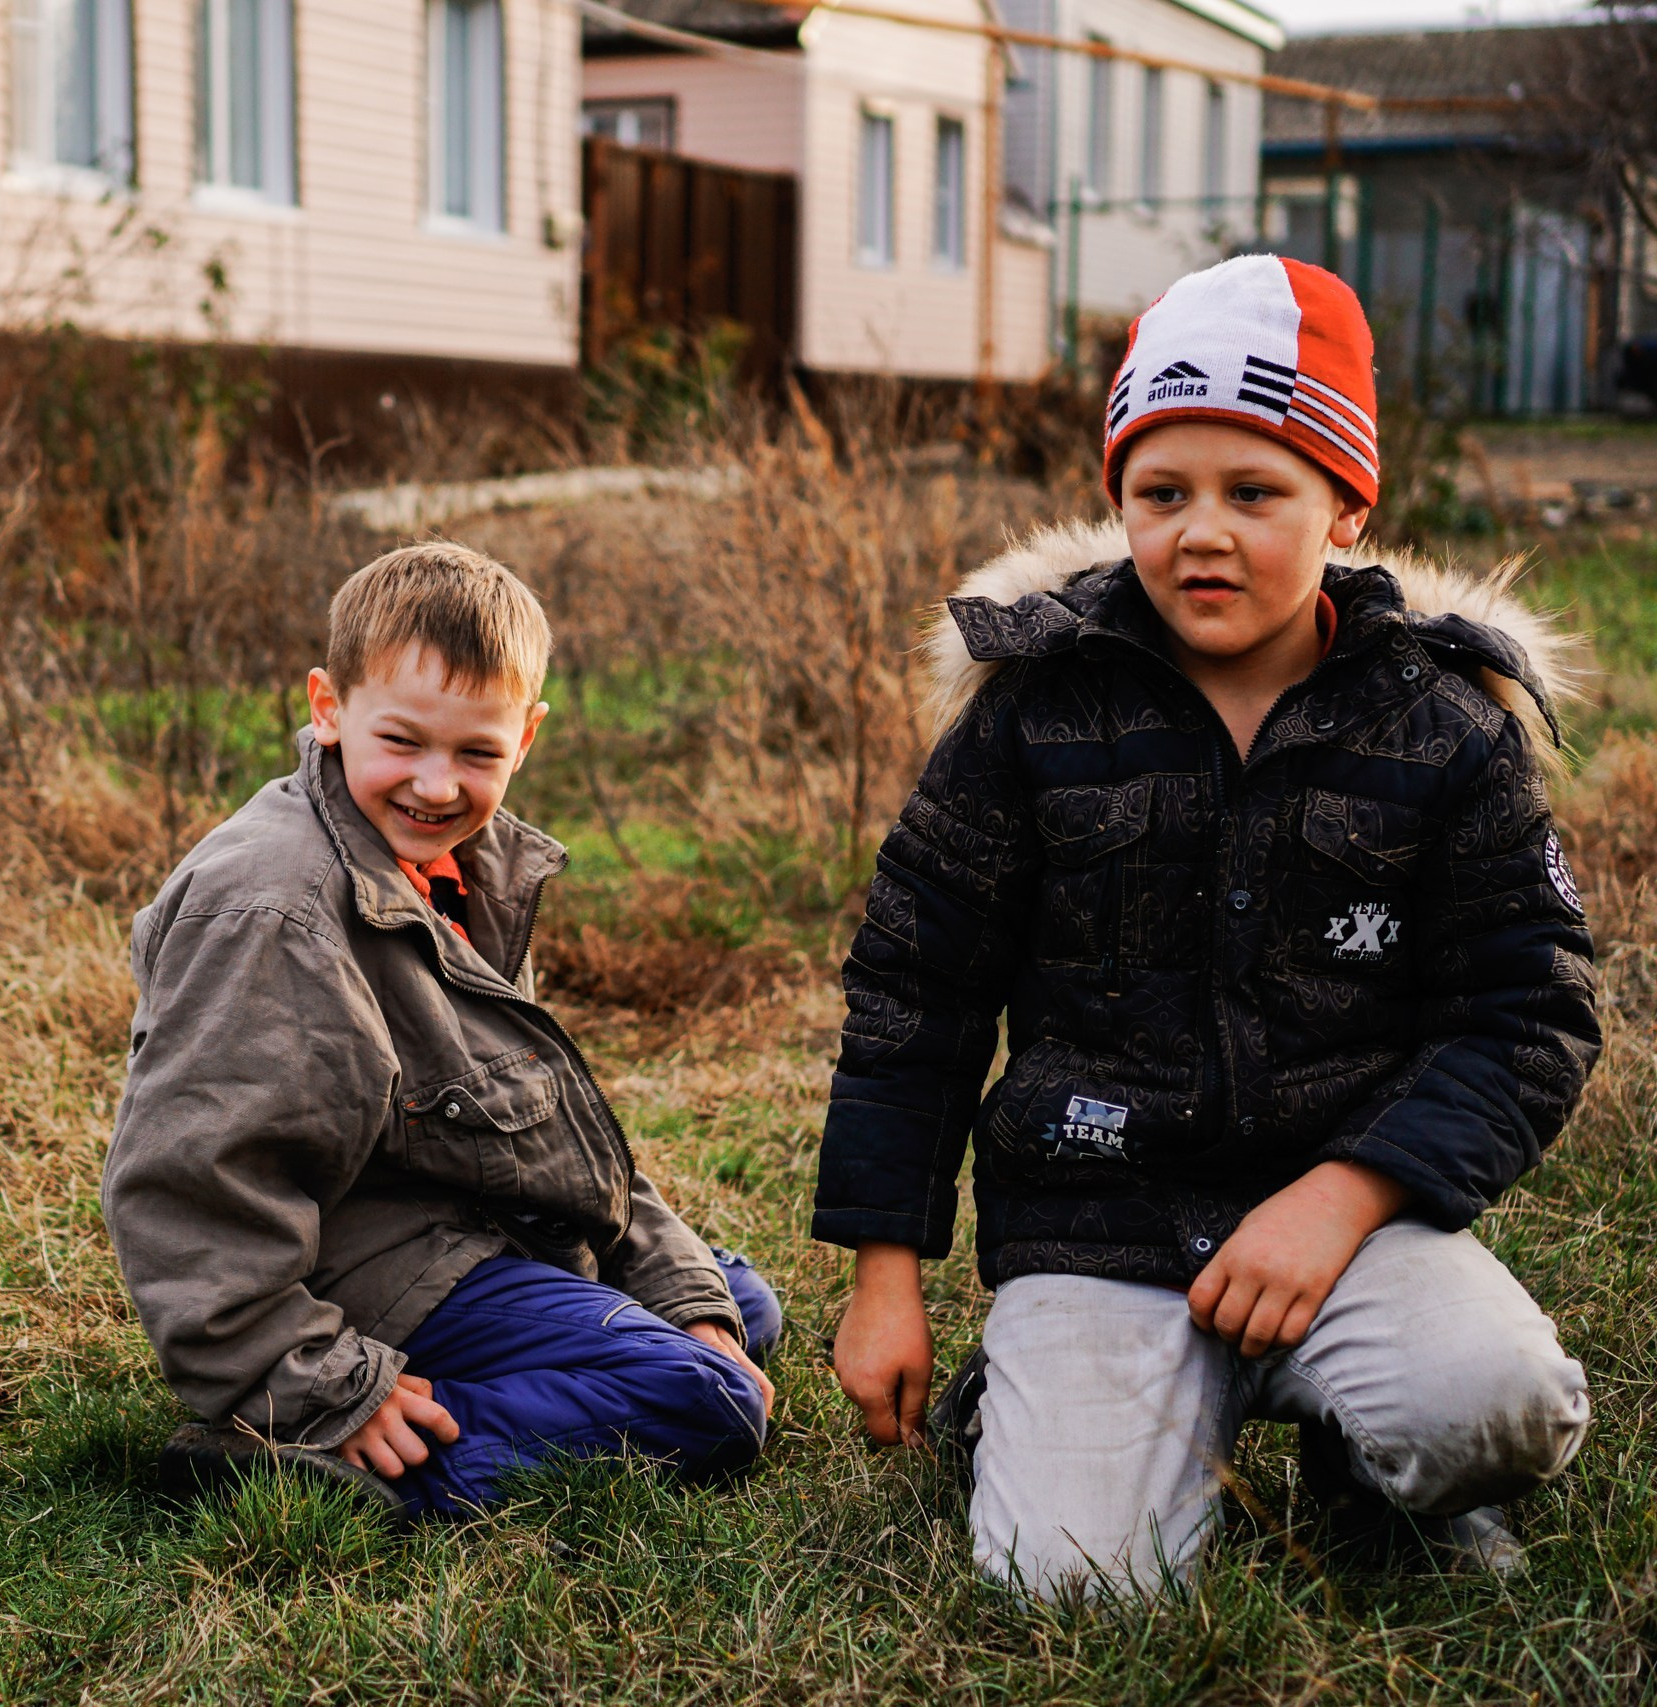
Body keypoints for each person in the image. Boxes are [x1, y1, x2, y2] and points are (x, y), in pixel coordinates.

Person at [813, 255, 1601, 1596]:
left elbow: (1530, 1010)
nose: (1203, 533)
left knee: (1496, 1401)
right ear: (1118, 499)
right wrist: (885, 1274)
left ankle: (1373, 1476)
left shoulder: (1445, 728)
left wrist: (1345, 1195)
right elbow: (915, 992)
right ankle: (1034, 1400)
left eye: (1256, 492)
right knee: (1074, 1580)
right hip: (1102, 1222)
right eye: (1161, 492)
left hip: (1348, 1230)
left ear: (1349, 505)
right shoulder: (1032, 714)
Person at [103, 541, 780, 1520]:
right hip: (357, 1271)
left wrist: (678, 1291)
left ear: (527, 737)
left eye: (476, 753)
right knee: (704, 1397)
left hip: (459, 1210)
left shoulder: (469, 864)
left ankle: (574, 1363)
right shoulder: (271, 911)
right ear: (329, 708)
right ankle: (342, 1465)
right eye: (403, 741)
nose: (436, 785)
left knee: (732, 1303)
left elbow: (546, 1120)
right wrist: (314, 1382)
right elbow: (192, 1184)